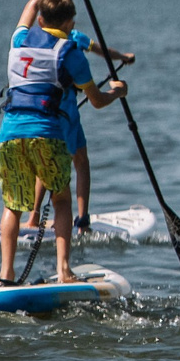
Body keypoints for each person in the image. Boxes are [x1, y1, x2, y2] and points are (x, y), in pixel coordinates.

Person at [0, 0, 126, 285]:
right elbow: (95, 101)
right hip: (47, 135)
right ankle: (64, 269)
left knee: (13, 206)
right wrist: (116, 93)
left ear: (40, 18)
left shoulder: (19, 41)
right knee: (62, 198)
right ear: (70, 23)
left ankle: (6, 275)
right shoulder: (69, 52)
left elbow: (31, 3)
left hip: (9, 135)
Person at [57, 27, 136, 232]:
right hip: (67, 112)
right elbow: (102, 51)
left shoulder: (37, 41)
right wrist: (123, 58)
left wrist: (121, 56)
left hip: (45, 114)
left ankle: (34, 218)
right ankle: (82, 221)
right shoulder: (74, 36)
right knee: (80, 161)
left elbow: (101, 50)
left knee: (47, 164)